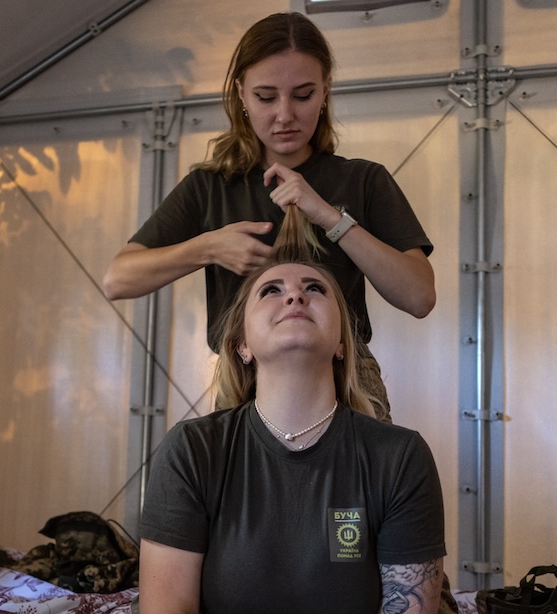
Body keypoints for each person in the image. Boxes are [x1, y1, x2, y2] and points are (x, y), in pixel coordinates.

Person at [125, 212, 471, 614]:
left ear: (340, 344)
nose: (294, 296)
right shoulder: (193, 449)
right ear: (241, 344)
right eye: (270, 291)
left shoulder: (399, 457)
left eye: (315, 288)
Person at [102, 11, 435, 421]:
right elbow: (119, 278)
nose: (284, 115)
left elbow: (419, 296)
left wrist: (332, 219)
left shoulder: (364, 181)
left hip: (346, 388)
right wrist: (209, 247)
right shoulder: (211, 187)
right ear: (240, 94)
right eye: (265, 96)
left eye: (303, 94)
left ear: (326, 91)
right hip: (244, 387)